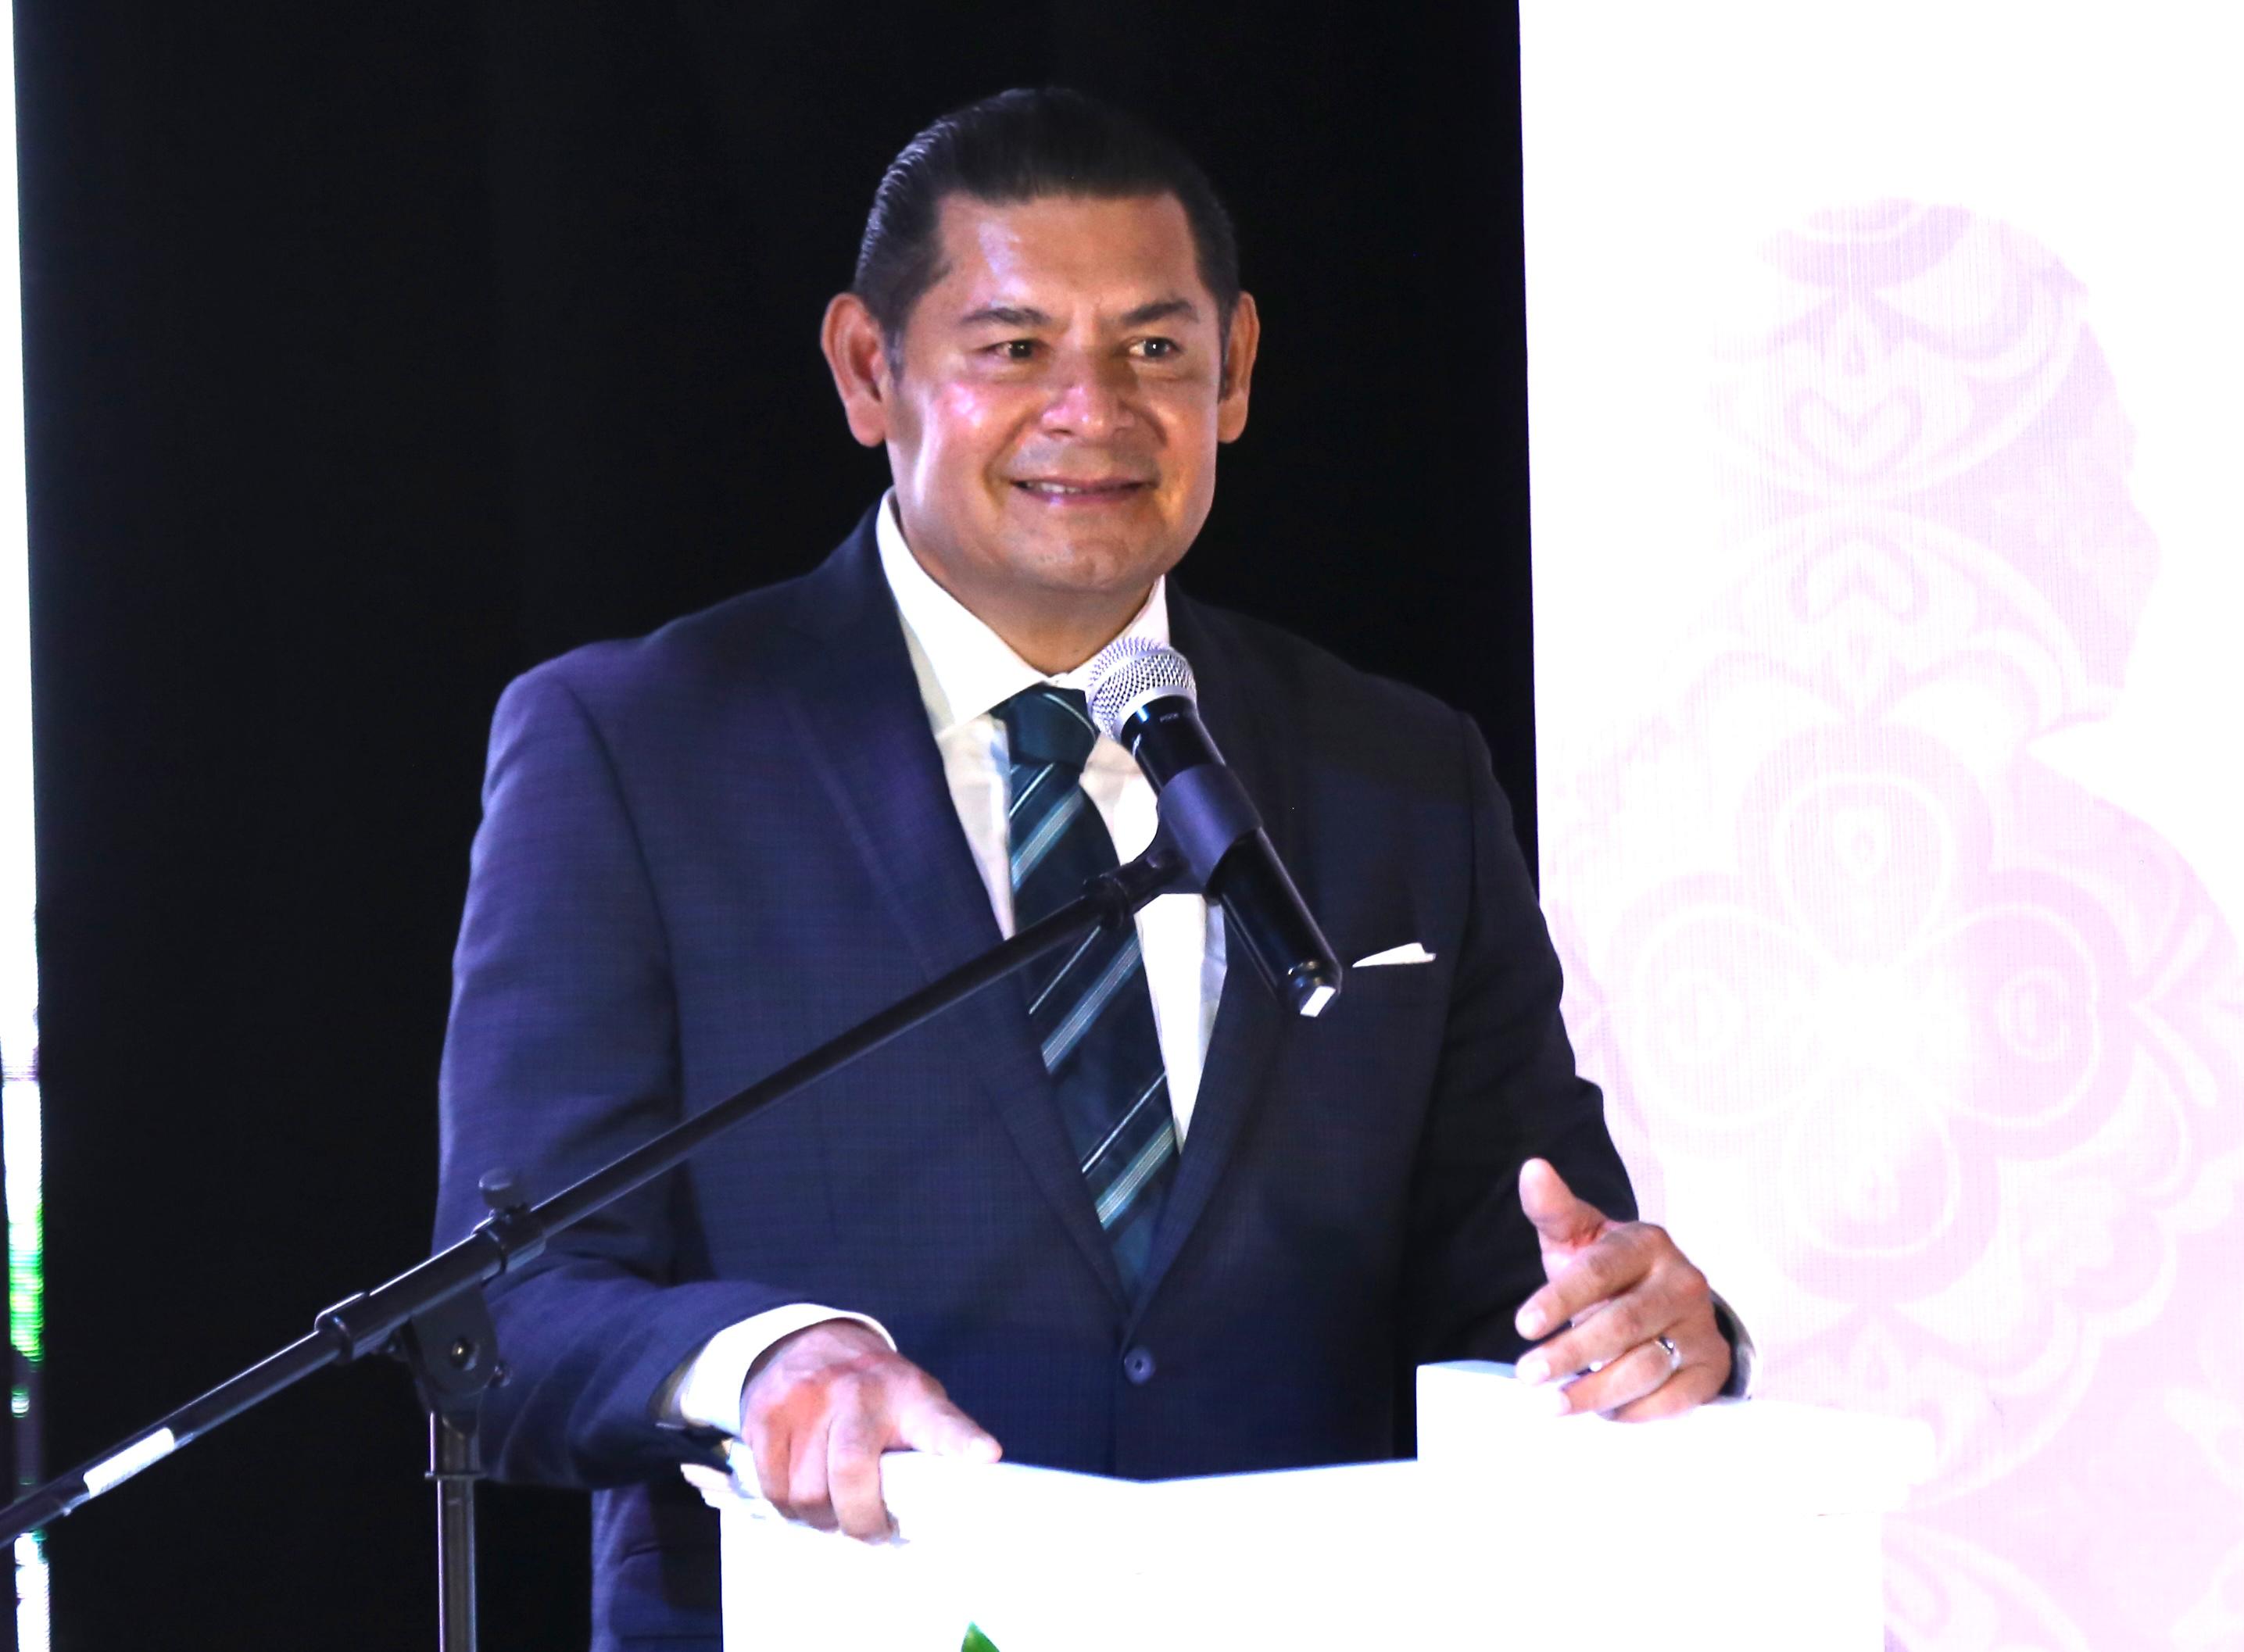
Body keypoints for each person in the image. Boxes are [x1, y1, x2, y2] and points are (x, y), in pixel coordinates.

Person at [434, 87, 1747, 1650]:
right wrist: (766, 1362)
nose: (1092, 409)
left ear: (1234, 369)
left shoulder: (1400, 772)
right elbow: (507, 1310)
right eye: (1011, 348)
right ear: (868, 368)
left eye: (1153, 348)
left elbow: (1523, 1270)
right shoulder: (637, 749)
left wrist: (1643, 1324)